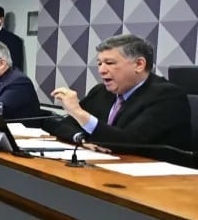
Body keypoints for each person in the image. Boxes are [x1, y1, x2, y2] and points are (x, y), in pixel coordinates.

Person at [46, 34, 191, 149]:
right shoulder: (101, 92)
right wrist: (82, 138)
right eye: (99, 63)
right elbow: (63, 125)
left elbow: (129, 142)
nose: (102, 70)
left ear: (139, 64)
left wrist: (78, 112)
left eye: (109, 63)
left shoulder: (167, 96)